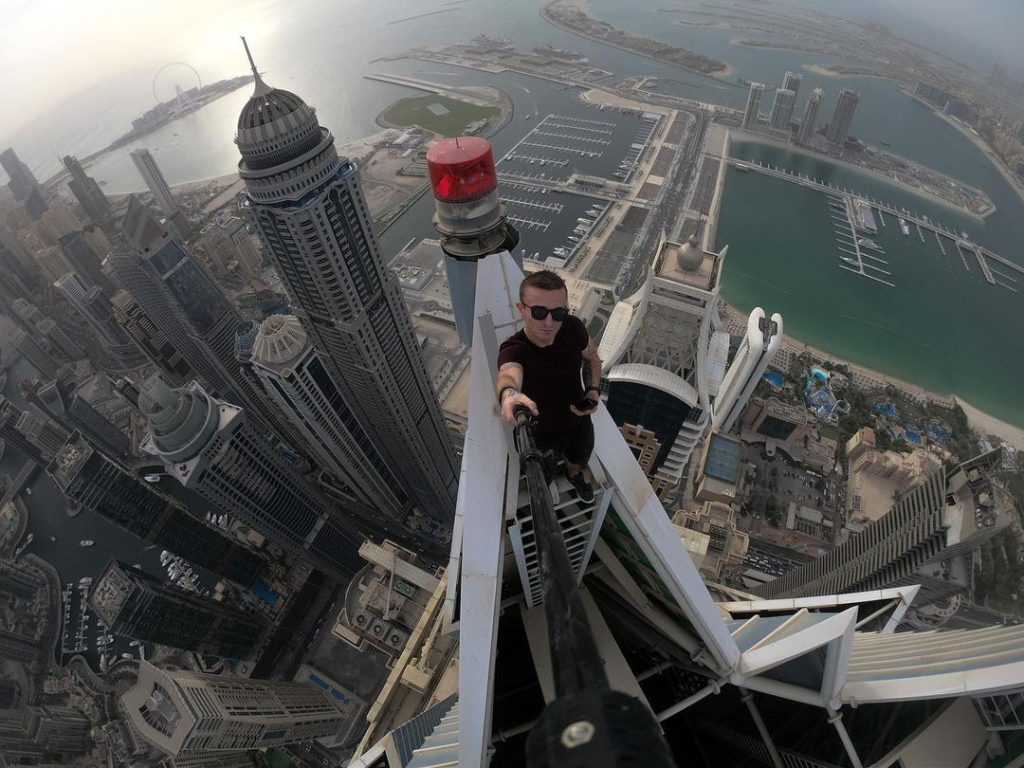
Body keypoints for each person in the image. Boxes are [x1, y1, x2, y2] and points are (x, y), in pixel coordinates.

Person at [496, 270, 602, 502]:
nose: (549, 322)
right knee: (543, 474)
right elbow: (509, 373)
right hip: (539, 433)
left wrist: (593, 389)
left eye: (558, 313)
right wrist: (509, 394)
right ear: (522, 309)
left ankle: (574, 476)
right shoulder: (515, 349)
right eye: (539, 311)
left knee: (579, 459)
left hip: (578, 419)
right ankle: (548, 484)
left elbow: (592, 357)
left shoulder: (573, 328)